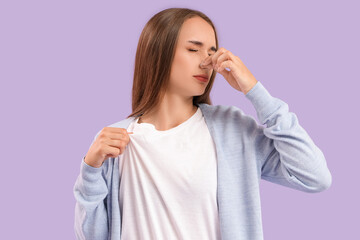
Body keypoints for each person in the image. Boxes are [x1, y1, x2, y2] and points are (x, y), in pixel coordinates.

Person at [73, 7, 332, 240]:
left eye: (211, 51)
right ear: (158, 53)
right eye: (193, 49)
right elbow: (92, 235)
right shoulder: (116, 140)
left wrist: (254, 90)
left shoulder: (232, 130)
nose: (206, 62)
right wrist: (91, 169)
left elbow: (315, 176)